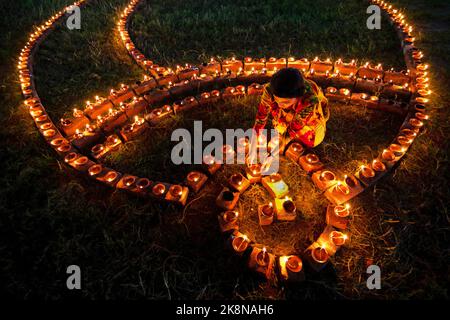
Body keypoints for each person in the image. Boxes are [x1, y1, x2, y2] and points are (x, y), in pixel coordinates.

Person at [253, 68, 330, 149]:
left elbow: (295, 127)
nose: (280, 105)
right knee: (280, 124)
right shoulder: (270, 89)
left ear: (298, 96)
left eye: (285, 102)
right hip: (293, 114)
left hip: (310, 121)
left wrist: (281, 144)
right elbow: (262, 115)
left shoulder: (309, 101)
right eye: (277, 100)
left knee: (310, 140)